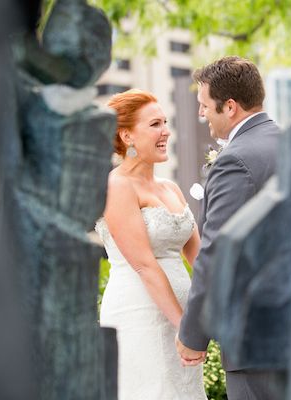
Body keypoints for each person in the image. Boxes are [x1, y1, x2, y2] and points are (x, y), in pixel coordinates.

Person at [175, 56, 281, 399]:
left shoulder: (236, 159)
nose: (201, 115)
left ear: (230, 107)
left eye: (205, 106)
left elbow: (217, 251)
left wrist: (193, 335)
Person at [94, 89, 207, 400]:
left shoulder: (170, 187)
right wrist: (184, 327)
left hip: (183, 318)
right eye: (155, 124)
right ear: (127, 135)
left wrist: (208, 315)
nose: (166, 131)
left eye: (166, 122)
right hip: (140, 316)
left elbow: (198, 256)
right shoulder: (116, 186)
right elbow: (144, 265)